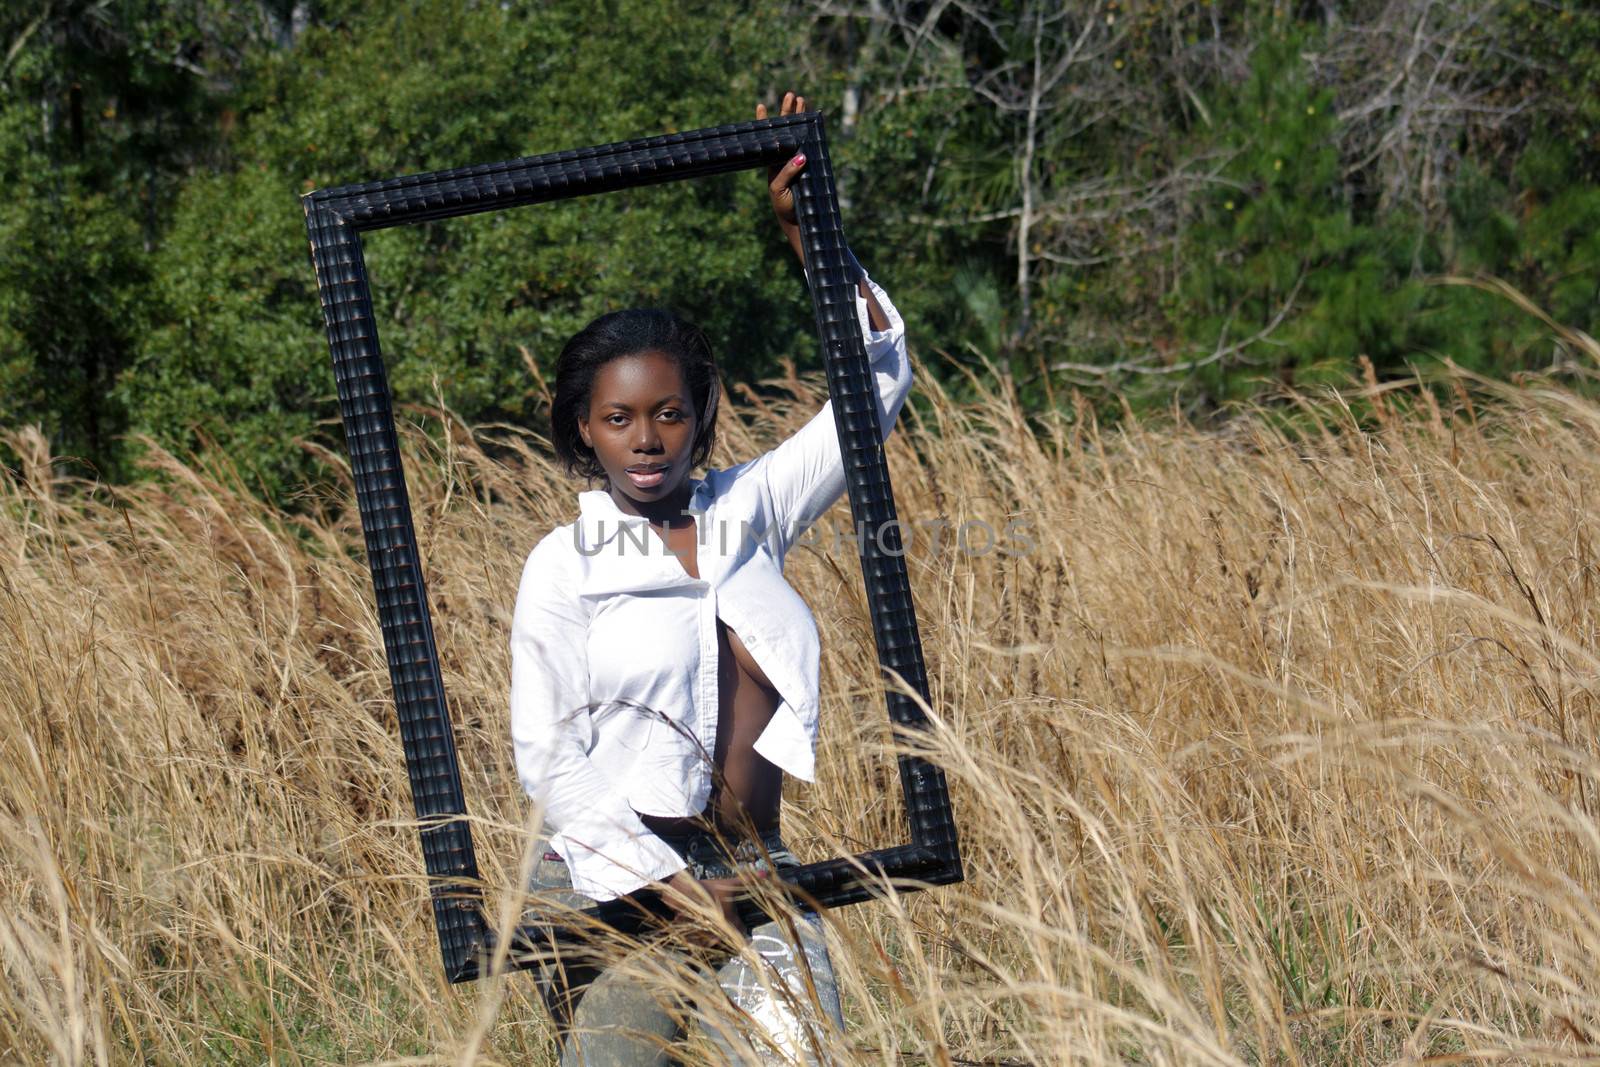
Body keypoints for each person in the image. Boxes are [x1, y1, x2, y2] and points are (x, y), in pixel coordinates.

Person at [510, 91, 911, 1065]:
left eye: (669, 412)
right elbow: (545, 753)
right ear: (581, 429)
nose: (646, 438)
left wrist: (811, 235)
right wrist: (661, 884)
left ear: (701, 416)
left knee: (799, 1051)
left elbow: (880, 379)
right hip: (618, 885)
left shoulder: (749, 509)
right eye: (618, 418)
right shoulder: (562, 565)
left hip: (756, 870)